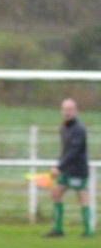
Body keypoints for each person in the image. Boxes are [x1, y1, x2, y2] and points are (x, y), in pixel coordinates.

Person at [44, 98, 91, 238]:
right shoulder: (64, 127)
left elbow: (74, 151)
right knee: (56, 193)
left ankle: (87, 231)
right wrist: (60, 165)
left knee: (82, 197)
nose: (67, 112)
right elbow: (65, 151)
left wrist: (59, 166)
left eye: (70, 110)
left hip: (77, 170)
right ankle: (58, 229)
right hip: (66, 169)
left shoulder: (79, 129)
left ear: (75, 111)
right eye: (65, 109)